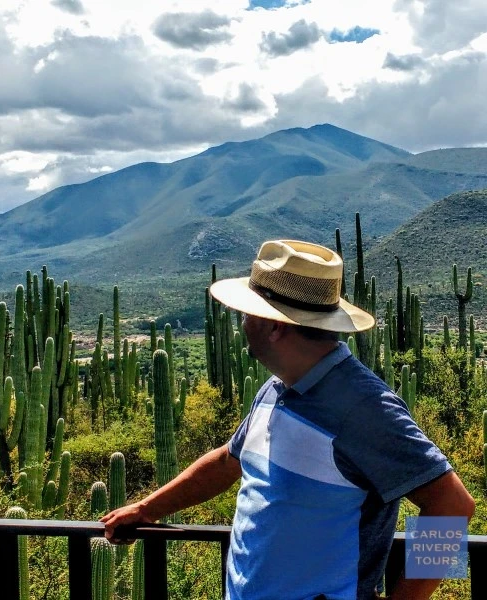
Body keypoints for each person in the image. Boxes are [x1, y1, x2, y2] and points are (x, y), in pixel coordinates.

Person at [101, 239, 475, 600]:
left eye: (248, 313)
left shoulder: (364, 408)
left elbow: (454, 505)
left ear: (274, 326)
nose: (243, 323)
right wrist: (147, 509)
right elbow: (228, 460)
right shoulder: (276, 388)